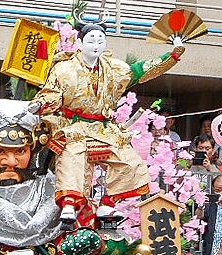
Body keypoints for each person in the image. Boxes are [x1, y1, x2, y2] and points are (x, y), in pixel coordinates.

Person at [31, 20, 184, 224]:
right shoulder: (64, 69)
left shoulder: (115, 69)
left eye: (100, 41)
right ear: (81, 42)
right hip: (73, 125)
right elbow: (54, 94)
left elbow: (142, 70)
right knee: (73, 156)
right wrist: (40, 104)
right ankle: (69, 204)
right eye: (91, 40)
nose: (96, 45)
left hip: (104, 128)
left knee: (129, 161)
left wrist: (173, 55)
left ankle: (108, 203)